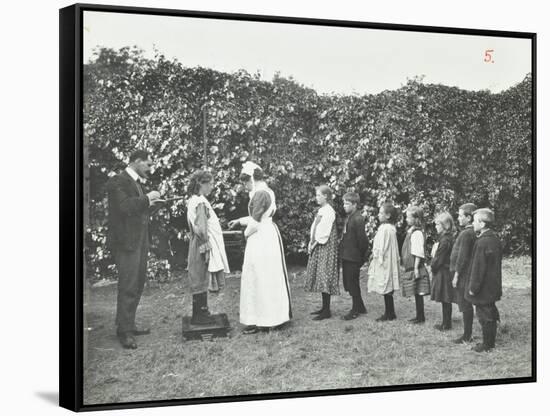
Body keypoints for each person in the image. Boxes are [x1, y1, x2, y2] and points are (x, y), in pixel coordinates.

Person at [106, 149, 161, 349]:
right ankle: (124, 332)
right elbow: (125, 207)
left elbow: (136, 209)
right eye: (148, 164)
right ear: (137, 162)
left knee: (137, 283)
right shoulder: (117, 181)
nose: (150, 168)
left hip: (140, 240)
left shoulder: (135, 183)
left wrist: (153, 204)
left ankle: (128, 324)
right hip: (126, 242)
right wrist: (148, 198)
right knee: (128, 284)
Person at [228, 162, 292, 334]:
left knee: (260, 275)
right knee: (268, 275)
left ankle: (264, 319)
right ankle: (273, 317)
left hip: (261, 238)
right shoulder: (266, 191)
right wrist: (240, 221)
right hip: (267, 234)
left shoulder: (260, 194)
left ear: (252, 179)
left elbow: (256, 222)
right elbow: (259, 216)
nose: (244, 186)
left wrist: (245, 234)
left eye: (246, 182)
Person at [186, 170, 230, 325]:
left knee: (201, 276)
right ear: (201, 184)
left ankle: (202, 311)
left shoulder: (195, 199)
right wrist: (206, 245)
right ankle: (199, 314)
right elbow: (202, 228)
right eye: (210, 184)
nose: (212, 187)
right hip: (202, 244)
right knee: (200, 276)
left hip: (199, 243)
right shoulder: (199, 203)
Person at [465, 208, 503, 352]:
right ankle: (490, 341)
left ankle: (487, 344)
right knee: (490, 311)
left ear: (481, 223)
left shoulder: (482, 242)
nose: (473, 224)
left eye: (475, 221)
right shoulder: (495, 239)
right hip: (493, 284)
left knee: (484, 314)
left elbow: (478, 267)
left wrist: (473, 287)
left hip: (483, 287)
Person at [304, 185, 340, 321]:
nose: (316, 198)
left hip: (324, 246)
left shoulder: (329, 211)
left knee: (325, 274)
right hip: (318, 245)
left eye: (319, 195)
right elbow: (315, 228)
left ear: (326, 196)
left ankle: (327, 310)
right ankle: (324, 307)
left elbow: (324, 232)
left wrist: (314, 243)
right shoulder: (322, 210)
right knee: (320, 275)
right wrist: (311, 242)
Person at [367, 202, 401, 322]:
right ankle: (390, 312)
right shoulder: (390, 228)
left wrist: (376, 256)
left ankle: (389, 313)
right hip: (388, 259)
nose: (378, 215)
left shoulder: (385, 229)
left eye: (381, 213)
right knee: (387, 285)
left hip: (385, 260)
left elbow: (381, 246)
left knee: (386, 284)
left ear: (388, 215)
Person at [450, 203, 477, 344]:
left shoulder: (467, 233)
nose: (458, 218)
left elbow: (462, 257)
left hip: (464, 275)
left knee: (465, 304)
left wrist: (456, 275)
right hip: (466, 274)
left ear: (469, 217)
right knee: (466, 304)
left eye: (461, 216)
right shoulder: (469, 232)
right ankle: (467, 333)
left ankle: (467, 335)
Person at [339, 192, 368, 320]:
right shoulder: (350, 217)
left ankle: (355, 310)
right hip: (347, 256)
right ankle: (360, 306)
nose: (344, 206)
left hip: (353, 257)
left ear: (355, 205)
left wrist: (360, 257)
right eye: (344, 203)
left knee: (352, 283)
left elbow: (363, 241)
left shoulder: (358, 219)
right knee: (349, 283)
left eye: (347, 203)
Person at [400, 206, 431, 324]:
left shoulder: (417, 233)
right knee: (416, 292)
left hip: (415, 266)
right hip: (412, 266)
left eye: (408, 217)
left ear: (416, 218)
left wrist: (416, 268)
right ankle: (419, 315)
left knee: (419, 291)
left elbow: (418, 252)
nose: (406, 219)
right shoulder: (411, 231)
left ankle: (420, 316)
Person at [430, 212, 456, 331]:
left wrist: (433, 267)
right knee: (446, 298)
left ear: (445, 225)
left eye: (437, 224)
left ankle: (446, 324)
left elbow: (438, 258)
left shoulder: (445, 240)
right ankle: (446, 322)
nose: (436, 226)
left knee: (445, 298)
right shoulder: (448, 238)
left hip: (443, 271)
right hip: (446, 269)